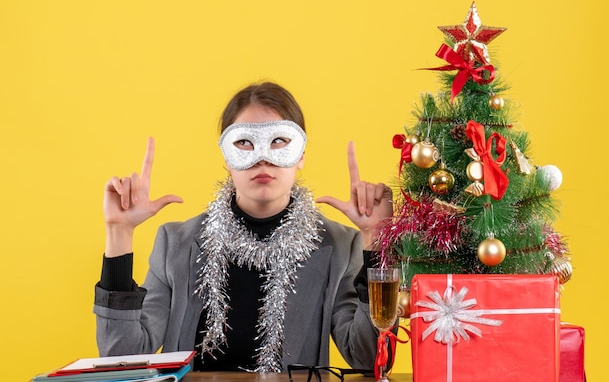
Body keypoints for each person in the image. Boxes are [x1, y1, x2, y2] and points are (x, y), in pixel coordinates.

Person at [94, 81, 393, 373]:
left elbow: (370, 358)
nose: (262, 159)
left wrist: (377, 244)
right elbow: (123, 357)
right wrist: (119, 234)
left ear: (301, 154)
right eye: (244, 143)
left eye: (279, 141)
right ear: (226, 158)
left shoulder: (340, 246)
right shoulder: (177, 243)